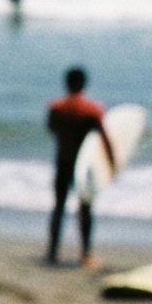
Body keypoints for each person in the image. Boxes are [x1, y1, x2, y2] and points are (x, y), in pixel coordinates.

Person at [46, 66, 114, 268]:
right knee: (85, 209)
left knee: (58, 207)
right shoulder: (92, 110)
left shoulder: (56, 108)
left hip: (63, 161)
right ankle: (85, 254)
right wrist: (112, 164)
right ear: (83, 84)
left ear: (66, 83)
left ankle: (52, 253)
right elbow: (104, 138)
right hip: (84, 166)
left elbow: (52, 129)